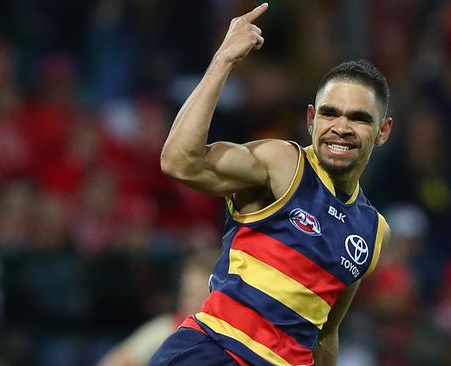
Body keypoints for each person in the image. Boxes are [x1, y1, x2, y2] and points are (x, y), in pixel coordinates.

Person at [151, 2, 392, 365]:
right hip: (216, 352)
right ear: (311, 119)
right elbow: (179, 161)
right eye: (329, 113)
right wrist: (224, 61)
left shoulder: (372, 232)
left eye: (358, 118)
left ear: (383, 131)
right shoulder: (283, 164)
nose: (340, 127)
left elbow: (325, 331)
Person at [99, 250, 219, 366]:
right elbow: (116, 361)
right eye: (186, 294)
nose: (188, 302)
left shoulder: (231, 343)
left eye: (199, 296)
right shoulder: (166, 329)